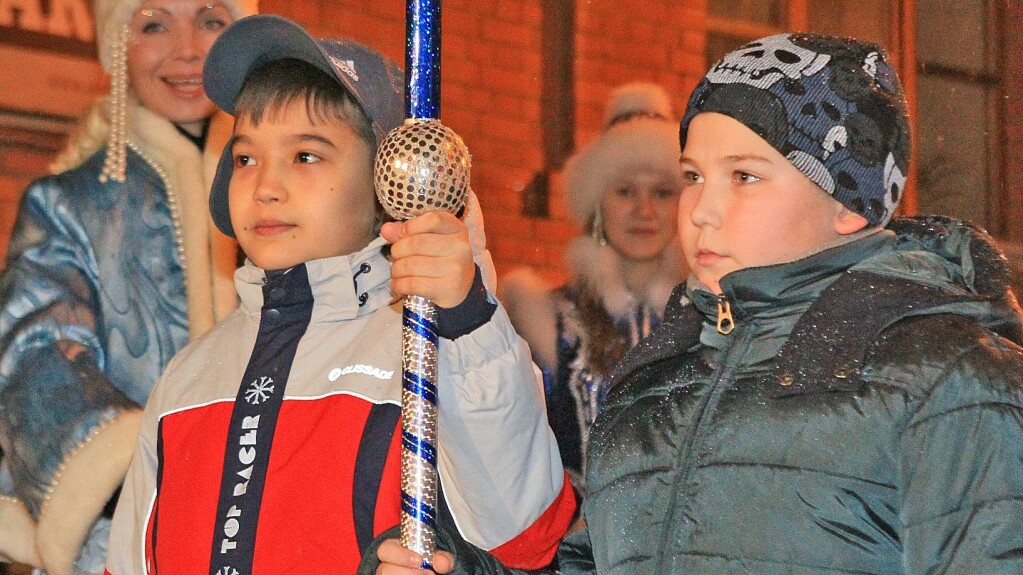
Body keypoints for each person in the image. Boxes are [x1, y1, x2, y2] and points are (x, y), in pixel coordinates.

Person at [365, 32, 1023, 575]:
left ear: (848, 202)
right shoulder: (658, 381)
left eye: (745, 176)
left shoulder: (950, 381)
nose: (701, 210)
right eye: (693, 176)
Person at [104, 14, 576, 575]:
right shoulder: (185, 381)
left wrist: (468, 321)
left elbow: (527, 536)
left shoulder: (432, 353)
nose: (265, 186)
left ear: (387, 185)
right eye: (246, 158)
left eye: (305, 156)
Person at [0, 0, 256, 572]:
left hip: (272, 522)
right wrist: (136, 457)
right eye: (154, 24)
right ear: (116, 46)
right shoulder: (66, 205)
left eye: (211, 20)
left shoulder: (280, 199)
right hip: (120, 537)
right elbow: (34, 354)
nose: (187, 49)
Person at [500, 83, 684, 487]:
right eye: (625, 191)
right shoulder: (548, 323)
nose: (644, 210)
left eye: (662, 192)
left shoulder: (711, 318)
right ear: (597, 205)